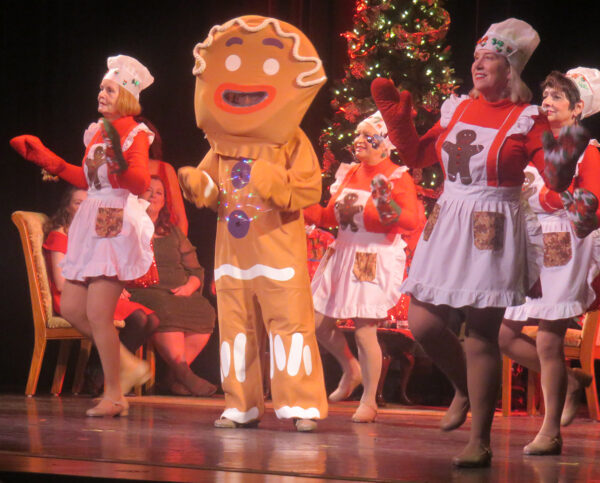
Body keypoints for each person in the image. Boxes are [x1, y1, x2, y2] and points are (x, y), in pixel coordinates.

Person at [371, 19, 589, 467]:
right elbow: (417, 156)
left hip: (493, 226)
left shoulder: (528, 119)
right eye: (476, 56)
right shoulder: (457, 109)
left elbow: (552, 177)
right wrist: (400, 125)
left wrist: (564, 163)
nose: (477, 63)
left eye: (488, 57)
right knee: (424, 322)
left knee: (481, 336)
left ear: (510, 67)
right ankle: (466, 388)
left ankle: (480, 439)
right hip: (448, 222)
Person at [11, 55, 157, 417]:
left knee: (98, 312)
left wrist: (119, 163)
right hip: (92, 218)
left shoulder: (135, 133)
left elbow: (139, 182)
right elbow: (88, 179)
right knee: (75, 307)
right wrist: (49, 160)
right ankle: (126, 365)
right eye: (101, 88)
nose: (101, 94)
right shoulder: (96, 132)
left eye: (108, 89)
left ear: (124, 94)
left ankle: (114, 395)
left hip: (113, 218)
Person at [500, 67, 600, 455]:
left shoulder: (587, 151)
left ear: (578, 109)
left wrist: (546, 200)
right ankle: (571, 383)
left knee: (547, 338)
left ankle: (549, 431)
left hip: (565, 247)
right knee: (504, 336)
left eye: (557, 96)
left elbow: (590, 200)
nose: (547, 102)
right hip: (530, 246)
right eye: (545, 94)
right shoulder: (534, 146)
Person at [305, 112, 424, 423]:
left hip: (370, 256)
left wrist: (387, 204)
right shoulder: (350, 172)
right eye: (357, 134)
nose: (357, 140)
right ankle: (351, 369)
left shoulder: (398, 176)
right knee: (317, 323)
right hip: (342, 252)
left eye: (365, 135)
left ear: (384, 143)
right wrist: (297, 203)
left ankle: (369, 401)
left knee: (364, 330)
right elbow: (329, 217)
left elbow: (410, 221)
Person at [43, 186, 158, 359]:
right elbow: (61, 284)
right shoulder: (59, 235)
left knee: (152, 320)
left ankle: (102, 372)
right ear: (67, 207)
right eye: (78, 204)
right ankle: (98, 375)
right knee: (138, 320)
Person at [129, 175, 217, 396]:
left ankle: (173, 378)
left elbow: (196, 270)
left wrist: (189, 287)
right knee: (164, 306)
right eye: (148, 190)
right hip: (144, 289)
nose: (153, 195)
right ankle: (187, 377)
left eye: (159, 192)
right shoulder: (128, 226)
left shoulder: (174, 232)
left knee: (205, 310)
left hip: (178, 290)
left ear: (164, 200)